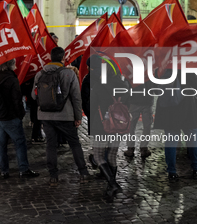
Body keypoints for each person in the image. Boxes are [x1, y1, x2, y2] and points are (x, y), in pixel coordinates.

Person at [32, 47, 90, 186]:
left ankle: (53, 176)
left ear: (51, 58)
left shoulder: (40, 74)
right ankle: (83, 173)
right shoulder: (69, 74)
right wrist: (78, 117)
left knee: (50, 145)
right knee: (75, 144)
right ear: (63, 58)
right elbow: (76, 98)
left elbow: (34, 95)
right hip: (65, 116)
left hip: (46, 117)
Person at [0, 59, 39, 179]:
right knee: (20, 143)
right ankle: (23, 169)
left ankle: (4, 170)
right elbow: (16, 100)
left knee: (1, 144)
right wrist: (20, 114)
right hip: (10, 116)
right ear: (10, 65)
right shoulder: (11, 79)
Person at [154, 70, 197, 181]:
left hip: (169, 112)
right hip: (187, 110)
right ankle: (196, 168)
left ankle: (171, 171)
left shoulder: (162, 68)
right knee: (192, 140)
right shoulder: (187, 70)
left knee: (171, 141)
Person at [89, 55, 128, 197]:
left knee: (99, 156)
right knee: (112, 155)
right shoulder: (124, 84)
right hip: (118, 125)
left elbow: (92, 106)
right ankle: (112, 185)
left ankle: (112, 184)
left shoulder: (99, 86)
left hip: (102, 125)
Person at [123, 81, 153, 159]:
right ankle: (143, 148)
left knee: (131, 126)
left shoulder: (131, 72)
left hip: (134, 102)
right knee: (147, 126)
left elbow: (126, 87)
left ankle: (130, 148)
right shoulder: (149, 73)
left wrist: (126, 102)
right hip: (147, 101)